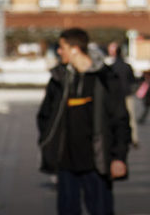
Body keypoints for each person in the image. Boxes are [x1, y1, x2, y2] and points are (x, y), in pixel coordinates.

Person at [37, 28, 131, 215]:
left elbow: (120, 120)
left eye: (61, 47)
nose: (58, 51)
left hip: (97, 163)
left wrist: (119, 156)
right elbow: (44, 115)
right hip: (65, 164)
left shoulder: (105, 79)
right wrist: (49, 144)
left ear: (75, 49)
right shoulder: (59, 79)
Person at [107, 41, 139, 148]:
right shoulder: (127, 66)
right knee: (131, 118)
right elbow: (133, 80)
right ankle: (134, 138)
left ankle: (118, 138)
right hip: (127, 94)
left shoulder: (112, 67)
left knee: (118, 117)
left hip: (116, 96)